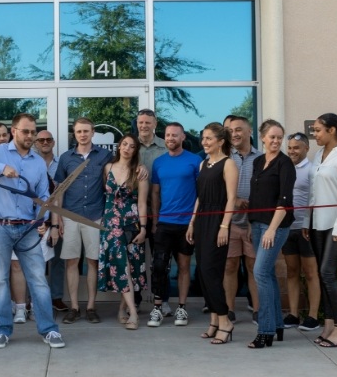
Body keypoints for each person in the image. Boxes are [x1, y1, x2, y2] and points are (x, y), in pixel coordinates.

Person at [0, 112, 65, 350]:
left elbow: (42, 196)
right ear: (14, 131)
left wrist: (45, 217)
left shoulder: (38, 162)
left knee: (39, 280)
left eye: (33, 132)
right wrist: (0, 168)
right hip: (0, 226)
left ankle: (49, 330)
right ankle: (2, 330)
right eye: (26, 131)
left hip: (28, 228)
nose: (30, 136)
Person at [302, 114, 337, 348]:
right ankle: (329, 325)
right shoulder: (318, 155)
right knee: (323, 274)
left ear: (332, 130)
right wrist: (307, 220)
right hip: (317, 222)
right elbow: (313, 192)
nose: (314, 134)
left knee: (327, 273)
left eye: (318, 130)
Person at [55, 117, 111, 324]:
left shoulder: (105, 156)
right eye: (79, 131)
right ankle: (74, 307)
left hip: (95, 215)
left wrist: (139, 169)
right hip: (70, 215)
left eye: (86, 131)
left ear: (93, 132)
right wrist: (58, 217)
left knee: (92, 262)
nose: (83, 135)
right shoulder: (66, 158)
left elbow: (119, 173)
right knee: (71, 262)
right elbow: (59, 189)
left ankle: (91, 307)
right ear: (74, 133)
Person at [245, 120, 295, 349]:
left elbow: (284, 200)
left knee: (261, 273)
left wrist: (272, 229)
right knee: (269, 275)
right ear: (263, 137)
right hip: (257, 224)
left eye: (279, 137)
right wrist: (249, 224)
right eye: (272, 137)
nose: (276, 141)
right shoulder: (257, 162)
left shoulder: (285, 164)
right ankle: (277, 325)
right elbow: (255, 198)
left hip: (276, 226)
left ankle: (265, 331)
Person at [187, 122, 238, 345]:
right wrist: (191, 223)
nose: (204, 142)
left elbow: (231, 199)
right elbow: (199, 197)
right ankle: (214, 320)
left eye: (208, 138)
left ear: (220, 141)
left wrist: (225, 226)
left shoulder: (229, 164)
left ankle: (225, 321)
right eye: (203, 138)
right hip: (202, 221)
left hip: (218, 221)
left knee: (211, 272)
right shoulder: (203, 165)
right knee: (203, 273)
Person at [148, 122, 201, 328]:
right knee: (159, 267)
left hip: (186, 224)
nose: (170, 138)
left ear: (183, 137)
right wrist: (154, 220)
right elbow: (154, 193)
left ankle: (182, 307)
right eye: (168, 135)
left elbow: (200, 194)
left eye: (174, 135)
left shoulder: (195, 161)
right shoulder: (159, 162)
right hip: (164, 223)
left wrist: (194, 221)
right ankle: (157, 308)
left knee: (184, 267)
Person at [98, 134, 148, 330]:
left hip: (131, 223)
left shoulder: (139, 172)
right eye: (124, 144)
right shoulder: (107, 168)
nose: (127, 148)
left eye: (132, 146)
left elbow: (143, 203)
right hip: (110, 224)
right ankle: (133, 313)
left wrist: (143, 229)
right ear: (119, 147)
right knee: (121, 265)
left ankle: (122, 309)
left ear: (136, 150)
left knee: (130, 267)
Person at [281, 132, 321, 331]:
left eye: (296, 148)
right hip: (287, 229)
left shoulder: (313, 170)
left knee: (311, 273)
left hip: (306, 229)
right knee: (292, 271)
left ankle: (313, 316)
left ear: (306, 148)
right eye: (289, 148)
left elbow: (316, 199)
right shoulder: (284, 168)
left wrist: (307, 222)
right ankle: (294, 314)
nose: (292, 151)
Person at [224, 115, 260, 323]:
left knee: (254, 267)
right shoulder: (225, 158)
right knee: (229, 266)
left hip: (254, 223)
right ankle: (229, 310)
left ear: (249, 132)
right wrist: (234, 199)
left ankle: (257, 310)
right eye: (230, 131)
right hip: (230, 223)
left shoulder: (262, 158)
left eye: (238, 130)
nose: (234, 134)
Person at [35, 129, 67, 312]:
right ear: (36, 143)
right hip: (35, 219)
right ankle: (35, 299)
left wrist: (58, 220)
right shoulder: (30, 163)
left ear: (53, 142)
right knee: (34, 260)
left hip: (57, 218)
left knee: (57, 260)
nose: (45, 142)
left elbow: (60, 193)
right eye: (41, 140)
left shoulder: (61, 164)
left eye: (48, 140)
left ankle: (56, 297)